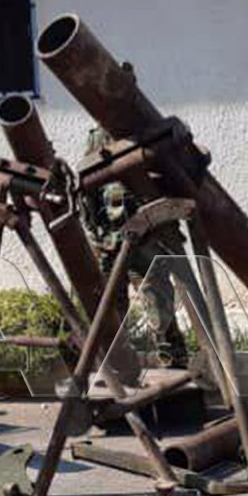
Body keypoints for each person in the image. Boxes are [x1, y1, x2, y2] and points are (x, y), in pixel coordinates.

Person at [78, 126, 189, 370]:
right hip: (110, 238)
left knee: (158, 301)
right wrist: (94, 232)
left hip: (147, 235)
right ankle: (115, 362)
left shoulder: (143, 126)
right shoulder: (98, 136)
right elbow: (87, 184)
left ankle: (172, 357)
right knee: (110, 304)